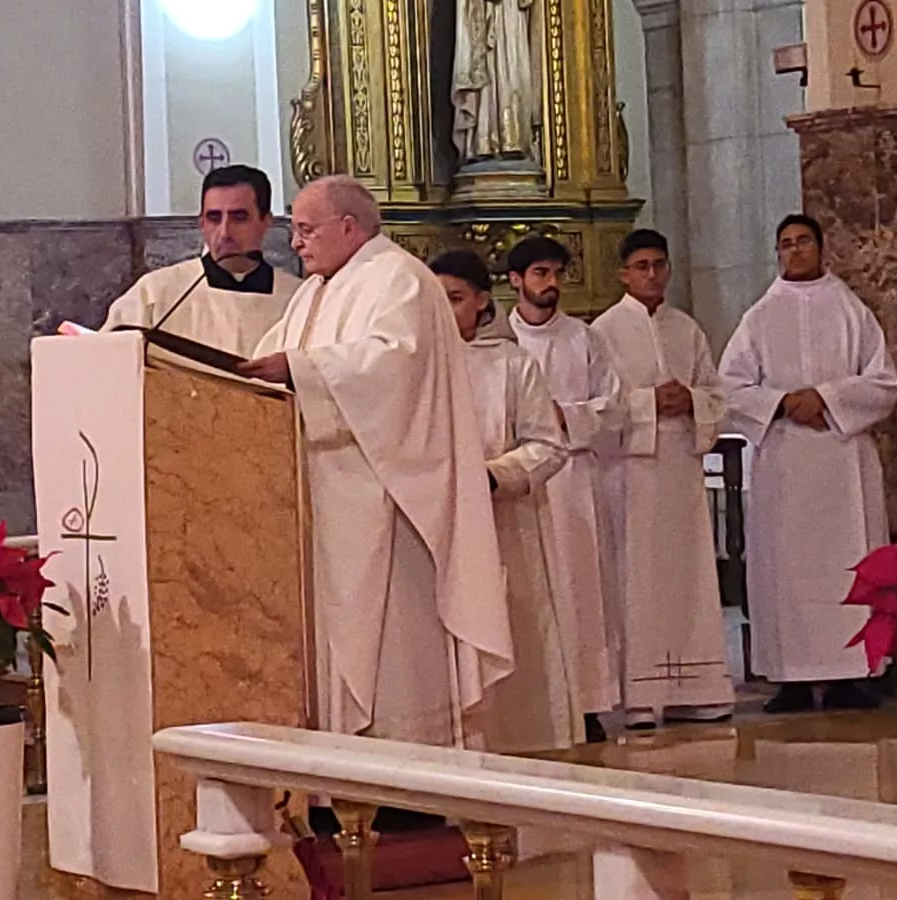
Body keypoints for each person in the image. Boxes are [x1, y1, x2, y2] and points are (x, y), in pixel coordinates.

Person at [236, 176, 513, 749]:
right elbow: (277, 357)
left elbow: (393, 365)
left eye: (307, 229)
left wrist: (300, 370)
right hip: (330, 496)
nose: (297, 243)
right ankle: (344, 766)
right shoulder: (316, 292)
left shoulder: (397, 278)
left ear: (349, 226)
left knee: (390, 645)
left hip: (389, 496)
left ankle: (404, 767)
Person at [720, 213, 897, 713]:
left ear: (821, 249)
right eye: (785, 244)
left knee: (849, 563)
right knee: (786, 569)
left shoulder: (852, 312)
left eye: (802, 242)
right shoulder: (759, 317)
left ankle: (850, 674)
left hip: (842, 459)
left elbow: (883, 382)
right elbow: (730, 385)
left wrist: (827, 399)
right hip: (785, 458)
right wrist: (781, 402)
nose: (794, 251)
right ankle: (792, 678)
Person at [431, 248, 579, 751]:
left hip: (504, 524)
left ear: (480, 302)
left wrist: (495, 476)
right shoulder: (410, 366)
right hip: (435, 528)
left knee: (510, 634)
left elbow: (549, 445)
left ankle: (520, 741)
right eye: (434, 299)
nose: (444, 310)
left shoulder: (511, 363)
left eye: (454, 298)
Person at [591, 228, 735, 729]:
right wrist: (650, 401)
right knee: (637, 577)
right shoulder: (603, 332)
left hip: (680, 466)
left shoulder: (687, 329)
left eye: (660, 264)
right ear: (623, 274)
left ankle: (698, 688)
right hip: (631, 471)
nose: (653, 274)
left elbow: (718, 393)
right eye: (642, 266)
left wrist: (690, 401)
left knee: (689, 572)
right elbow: (601, 407)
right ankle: (641, 697)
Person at [506, 236, 623, 742]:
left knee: (582, 591)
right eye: (539, 274)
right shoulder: (498, 345)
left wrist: (564, 417)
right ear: (514, 280)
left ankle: (590, 702)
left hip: (576, 479)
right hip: (521, 482)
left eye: (556, 273)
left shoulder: (585, 338)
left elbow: (613, 405)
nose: (550, 284)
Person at [103, 165, 301, 355]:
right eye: (214, 218)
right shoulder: (156, 292)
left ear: (266, 221)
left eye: (239, 218)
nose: (225, 232)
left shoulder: (299, 297)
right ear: (202, 223)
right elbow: (111, 356)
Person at [452, 0, 538, 162]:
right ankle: (484, 142)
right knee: (487, 79)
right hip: (483, 16)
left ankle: (513, 138)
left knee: (513, 71)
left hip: (511, 14)